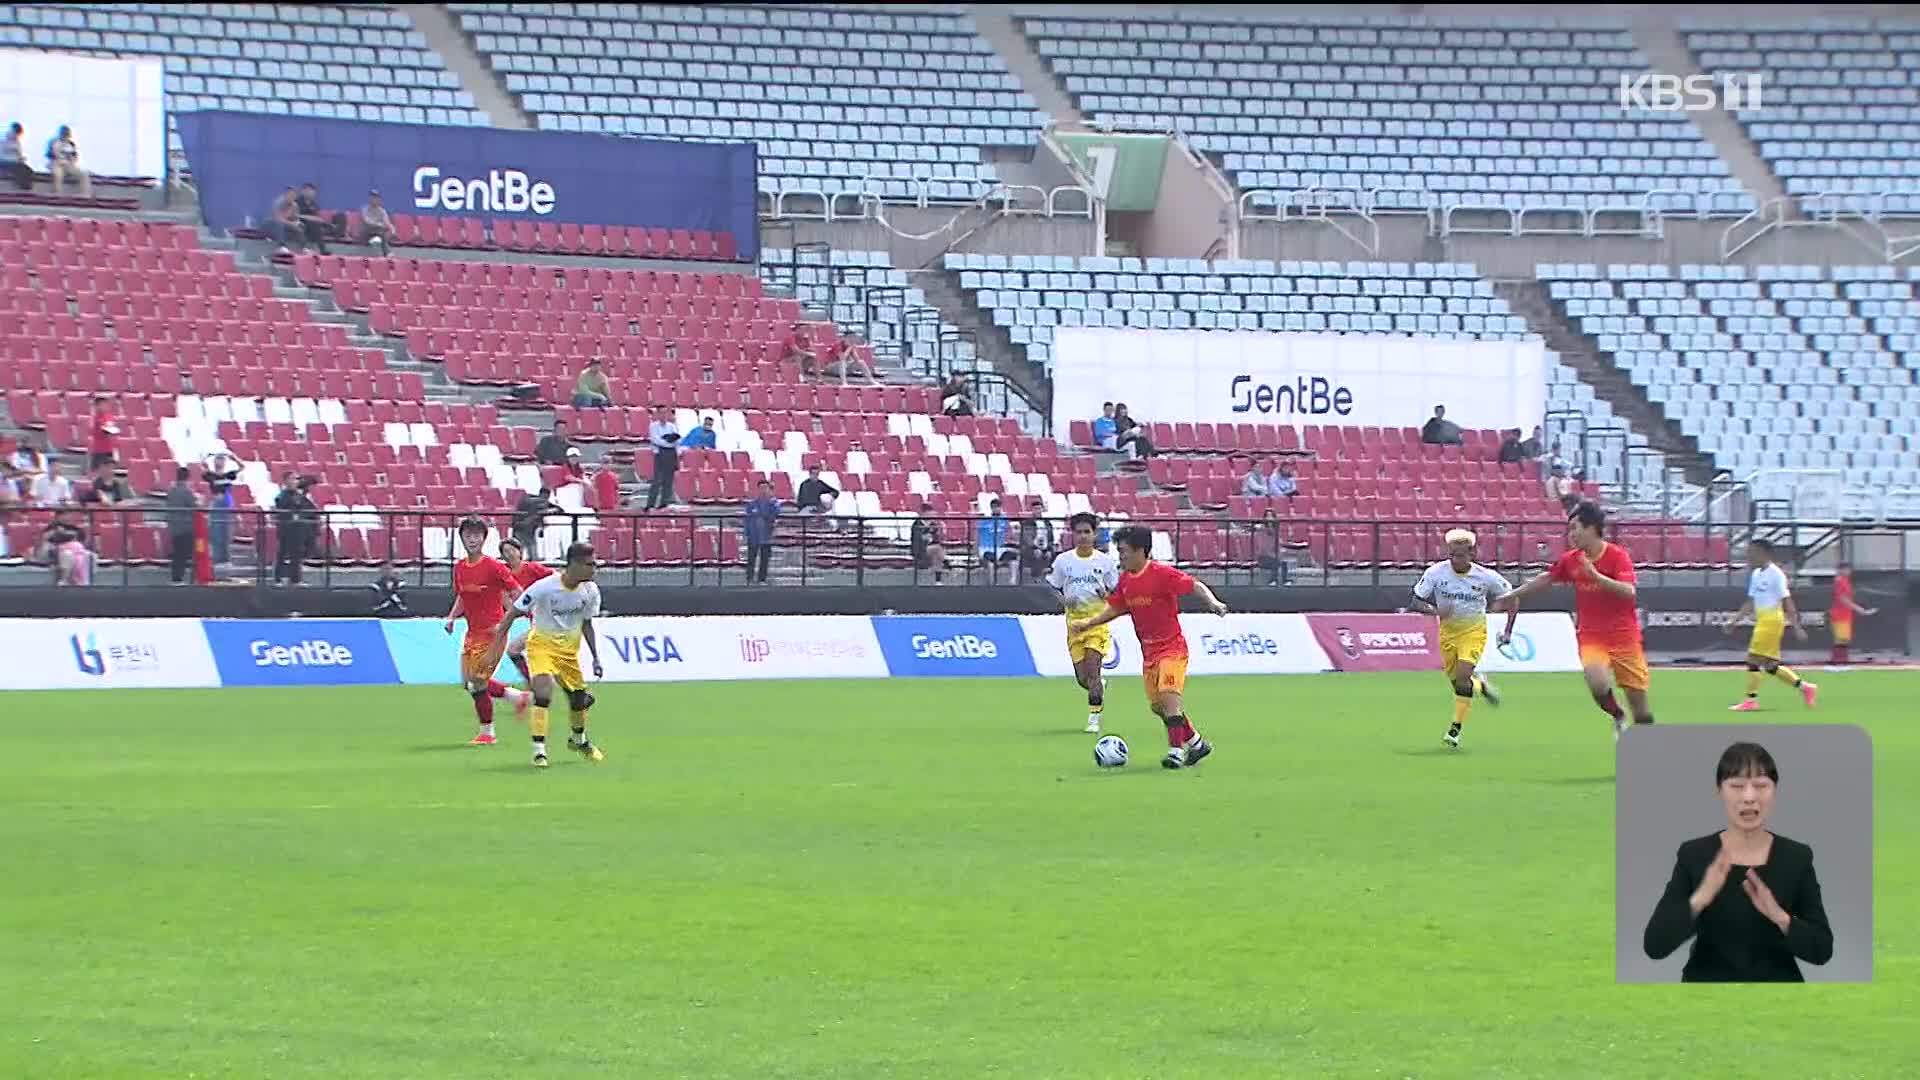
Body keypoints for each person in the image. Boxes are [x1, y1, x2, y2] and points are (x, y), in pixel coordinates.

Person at [1642, 741, 1834, 982]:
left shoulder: (1797, 857)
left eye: (1761, 785)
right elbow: (1655, 946)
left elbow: (1822, 950)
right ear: (1719, 790)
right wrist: (1701, 897)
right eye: (1737, 786)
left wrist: (1780, 917)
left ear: (1775, 790)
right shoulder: (1694, 854)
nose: (1749, 797)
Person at [1068, 524, 1229, 769]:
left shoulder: (1161, 574)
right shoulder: (1126, 581)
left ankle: (1175, 752)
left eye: (1124, 551)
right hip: (1149, 652)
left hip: (1172, 648)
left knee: (1169, 696)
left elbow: (1194, 585)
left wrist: (1213, 603)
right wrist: (1088, 624)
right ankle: (1196, 743)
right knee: (1158, 707)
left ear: (1140, 551)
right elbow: (1116, 608)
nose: (1120, 556)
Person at [1499, 501, 1655, 740]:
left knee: (1642, 711)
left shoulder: (1617, 556)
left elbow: (1628, 592)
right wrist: (1513, 594)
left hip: (1625, 638)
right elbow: (1546, 578)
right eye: (1569, 529)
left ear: (1592, 528)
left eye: (1575, 528)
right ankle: (1617, 715)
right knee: (1596, 683)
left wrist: (1596, 576)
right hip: (1592, 636)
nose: (1571, 534)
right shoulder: (1571, 560)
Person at [493, 542, 607, 769]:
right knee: (543, 690)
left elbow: (587, 624)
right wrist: (495, 645)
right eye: (589, 564)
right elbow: (514, 612)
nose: (594, 569)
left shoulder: (590, 591)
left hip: (567, 652)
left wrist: (595, 657)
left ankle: (578, 740)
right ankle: (539, 751)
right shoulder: (544, 587)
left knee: (579, 701)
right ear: (574, 564)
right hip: (541, 646)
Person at [1407, 529, 1512, 750]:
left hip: (1474, 631)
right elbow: (1416, 601)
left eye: (1461, 555)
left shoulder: (1485, 576)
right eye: (1453, 555)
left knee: (1463, 674)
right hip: (1448, 632)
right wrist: (1435, 611)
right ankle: (1479, 684)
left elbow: (1513, 599)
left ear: (1472, 554)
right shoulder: (1436, 573)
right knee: (1458, 682)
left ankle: (1455, 729)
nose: (1456, 560)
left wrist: (1508, 630)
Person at [444, 517, 534, 746]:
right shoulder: (460, 568)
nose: (472, 539)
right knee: (469, 683)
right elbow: (463, 596)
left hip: (493, 633)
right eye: (468, 535)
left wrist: (509, 618)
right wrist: (453, 617)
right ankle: (517, 697)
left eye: (477, 535)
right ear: (462, 538)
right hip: (472, 633)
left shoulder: (494, 567)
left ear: (484, 539)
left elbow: (517, 592)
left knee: (477, 681)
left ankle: (488, 733)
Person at [1048, 512, 1121, 733]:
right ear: (1073, 534)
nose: (1083, 536)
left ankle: (1093, 719)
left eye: (1087, 532)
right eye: (1078, 532)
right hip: (1074, 625)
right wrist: (1064, 599)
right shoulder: (1063, 561)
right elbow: (1053, 586)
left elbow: (1116, 594)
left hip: (1097, 623)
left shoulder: (1105, 562)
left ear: (1094, 534)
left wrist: (1105, 594)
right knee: (1084, 679)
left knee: (1093, 667)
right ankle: (1097, 687)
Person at [1726, 540, 1816, 711]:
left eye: (1752, 552)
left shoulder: (1776, 574)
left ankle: (1751, 701)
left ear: (1763, 553)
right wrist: (1734, 620)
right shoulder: (1756, 574)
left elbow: (1787, 601)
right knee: (1770, 665)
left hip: (1772, 620)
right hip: (1762, 620)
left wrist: (1796, 626)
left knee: (1753, 659)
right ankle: (1806, 688)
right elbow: (1751, 601)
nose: (1749, 556)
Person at [498, 536, 553, 684]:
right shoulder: (505, 577)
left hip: (547, 618)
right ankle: (534, 682)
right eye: (506, 551)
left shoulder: (532, 568)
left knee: (516, 649)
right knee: (514, 650)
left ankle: (536, 683)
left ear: (520, 551)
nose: (509, 553)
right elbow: (508, 604)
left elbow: (556, 578)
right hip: (535, 621)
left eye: (512, 550)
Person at [1828, 561, 1877, 665]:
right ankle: (1838, 661)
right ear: (1840, 570)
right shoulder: (1839, 581)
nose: (1848, 571)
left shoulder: (1845, 581)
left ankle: (1841, 660)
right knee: (1841, 639)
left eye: (1849, 569)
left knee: (1844, 639)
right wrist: (1858, 609)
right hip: (1839, 615)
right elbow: (1842, 599)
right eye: (1846, 569)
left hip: (1846, 615)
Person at [271, 472, 312, 584]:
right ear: (286, 481)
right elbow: (282, 510)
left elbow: (308, 508)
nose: (296, 481)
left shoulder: (299, 495)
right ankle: (277, 579)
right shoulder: (282, 496)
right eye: (293, 479)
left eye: (297, 479)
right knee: (282, 554)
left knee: (296, 555)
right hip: (286, 529)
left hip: (298, 529)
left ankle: (295, 579)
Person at [165, 465, 199, 585]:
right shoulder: (187, 491)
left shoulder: (171, 491)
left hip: (174, 527)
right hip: (186, 527)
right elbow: (196, 507)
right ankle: (179, 578)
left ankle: (176, 577)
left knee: (178, 553)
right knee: (183, 554)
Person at [742, 480, 780, 584]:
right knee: (751, 558)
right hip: (754, 535)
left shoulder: (774, 503)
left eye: (765, 488)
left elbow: (774, 514)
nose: (763, 490)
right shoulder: (751, 504)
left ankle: (761, 579)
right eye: (761, 488)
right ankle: (749, 578)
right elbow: (747, 519)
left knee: (764, 559)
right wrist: (747, 532)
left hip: (767, 535)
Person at [976, 498, 1019, 583]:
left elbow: (1010, 534)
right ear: (991, 508)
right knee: (991, 563)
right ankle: (993, 584)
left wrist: (1014, 538)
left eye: (998, 507)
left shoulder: (1004, 519)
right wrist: (977, 553)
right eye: (995, 507)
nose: (997, 509)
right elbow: (977, 536)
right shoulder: (984, 520)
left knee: (1013, 558)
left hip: (1000, 548)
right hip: (987, 548)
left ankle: (1012, 582)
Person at [646, 405, 680, 510]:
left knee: (668, 481)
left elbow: (677, 440)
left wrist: (668, 442)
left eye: (666, 412)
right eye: (661, 412)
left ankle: (664, 504)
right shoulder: (653, 426)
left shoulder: (672, 426)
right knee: (657, 480)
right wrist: (668, 442)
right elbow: (656, 441)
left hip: (671, 455)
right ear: (658, 414)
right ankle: (650, 505)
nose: (664, 415)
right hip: (660, 455)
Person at [46, 125, 89, 197]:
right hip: (56, 163)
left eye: (67, 134)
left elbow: (75, 156)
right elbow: (49, 154)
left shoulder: (71, 144)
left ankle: (84, 194)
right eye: (64, 134)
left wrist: (71, 158)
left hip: (68, 165)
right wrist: (56, 155)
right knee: (58, 175)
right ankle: (56, 194)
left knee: (83, 174)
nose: (65, 136)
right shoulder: (54, 142)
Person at [909, 503, 946, 583]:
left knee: (938, 551)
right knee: (938, 550)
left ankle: (937, 579)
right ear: (924, 513)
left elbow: (937, 539)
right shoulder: (917, 524)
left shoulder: (934, 525)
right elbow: (918, 540)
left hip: (932, 549)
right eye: (930, 513)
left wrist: (939, 531)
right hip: (920, 550)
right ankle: (938, 576)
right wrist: (928, 536)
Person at [511, 486, 552, 553]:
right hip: (526, 527)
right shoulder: (542, 502)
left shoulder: (525, 498)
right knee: (531, 546)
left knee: (519, 547)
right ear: (546, 495)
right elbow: (559, 509)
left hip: (517, 525)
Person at [294, 181, 330, 254]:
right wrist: (308, 218)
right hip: (300, 223)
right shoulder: (297, 201)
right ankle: (311, 248)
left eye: (312, 191)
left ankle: (323, 249)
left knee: (320, 225)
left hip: (312, 226)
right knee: (314, 224)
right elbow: (295, 215)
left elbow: (316, 216)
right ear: (303, 191)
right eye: (308, 191)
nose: (311, 193)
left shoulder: (314, 204)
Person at [88, 396, 119, 469]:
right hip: (98, 451)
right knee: (97, 474)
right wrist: (111, 429)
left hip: (109, 450)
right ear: (97, 406)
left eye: (106, 404)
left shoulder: (109, 417)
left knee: (108, 473)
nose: (105, 406)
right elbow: (108, 430)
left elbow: (112, 430)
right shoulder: (95, 418)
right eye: (102, 404)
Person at [266, 186, 300, 252]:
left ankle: (304, 248)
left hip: (286, 224)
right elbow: (277, 218)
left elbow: (296, 219)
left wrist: (297, 223)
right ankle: (281, 246)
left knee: (300, 227)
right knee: (279, 224)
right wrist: (291, 223)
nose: (292, 197)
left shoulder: (295, 205)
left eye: (294, 196)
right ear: (286, 195)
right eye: (290, 195)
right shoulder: (278, 202)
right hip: (271, 224)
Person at [2, 122, 29, 190]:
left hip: (15, 162)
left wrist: (22, 158)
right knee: (19, 168)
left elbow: (19, 155)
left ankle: (25, 187)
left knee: (27, 170)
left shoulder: (17, 142)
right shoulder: (3, 140)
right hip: (4, 161)